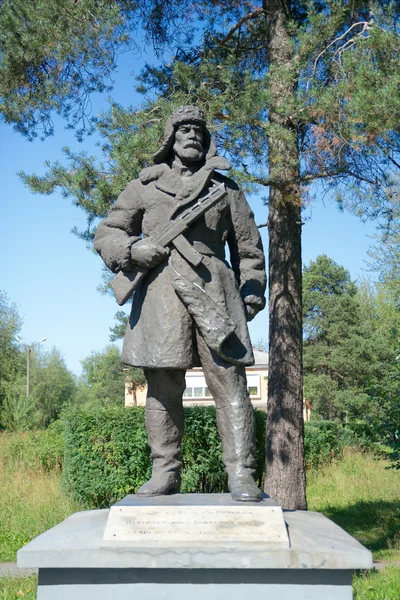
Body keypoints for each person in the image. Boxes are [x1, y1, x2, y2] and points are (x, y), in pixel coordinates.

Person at [94, 106, 266, 501]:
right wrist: (133, 249)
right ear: (170, 137)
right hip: (160, 292)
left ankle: (241, 474)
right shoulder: (144, 187)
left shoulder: (225, 189)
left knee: (230, 383)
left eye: (199, 131)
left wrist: (252, 289)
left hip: (215, 291)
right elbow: (107, 232)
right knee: (162, 385)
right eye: (184, 129)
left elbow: (249, 248)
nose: (192, 136)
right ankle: (165, 472)